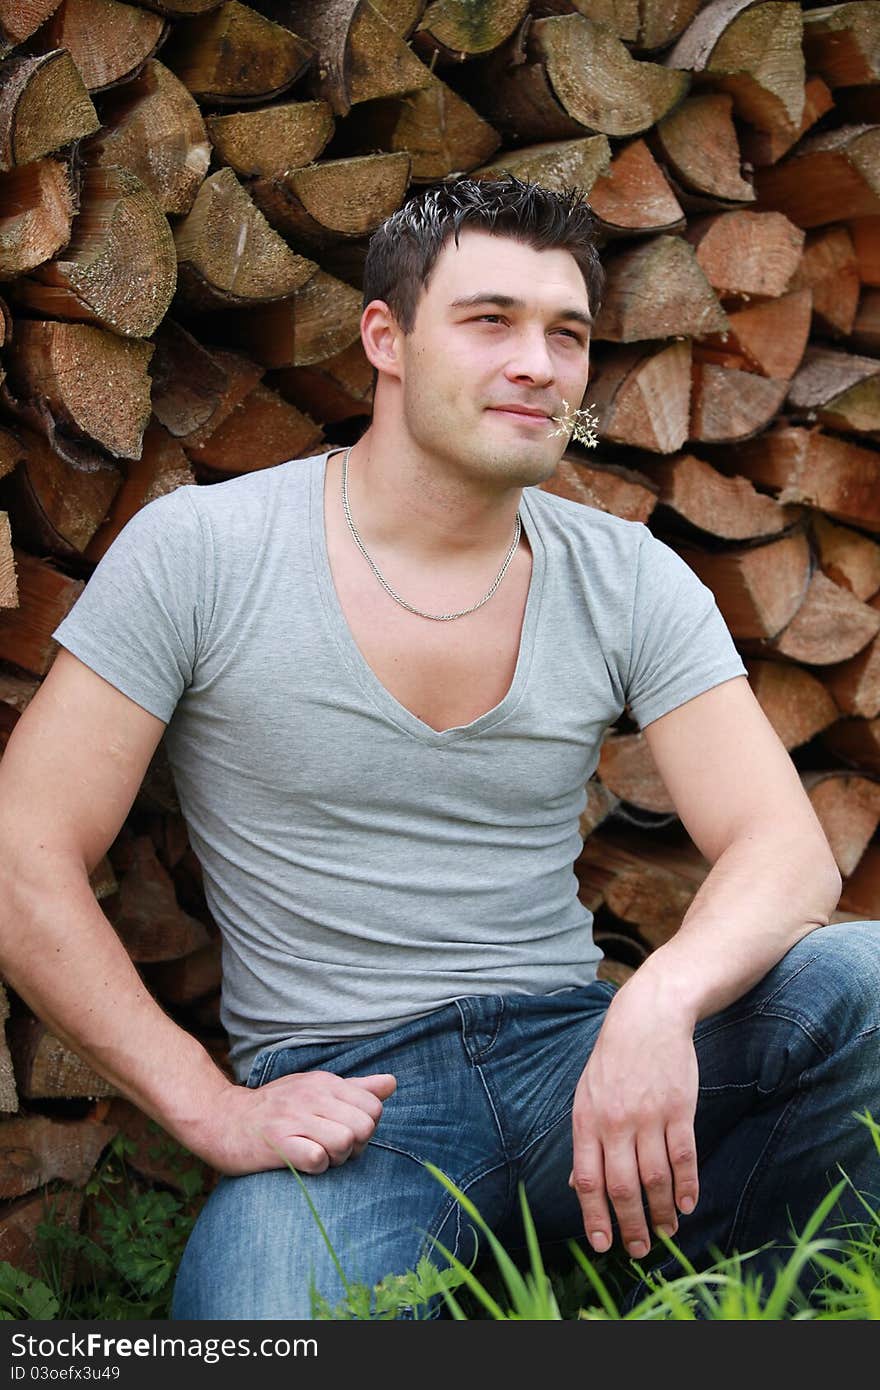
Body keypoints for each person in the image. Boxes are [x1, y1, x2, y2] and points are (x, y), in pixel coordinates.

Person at [0, 177, 877, 1322]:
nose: (537, 363)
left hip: (578, 1052)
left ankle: (753, 1306)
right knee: (262, 1321)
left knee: (864, 980)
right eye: (489, 320)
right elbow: (22, 855)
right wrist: (210, 1109)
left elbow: (786, 851)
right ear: (387, 339)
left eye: (566, 334)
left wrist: (653, 1006)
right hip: (354, 1102)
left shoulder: (624, 573)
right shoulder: (203, 552)